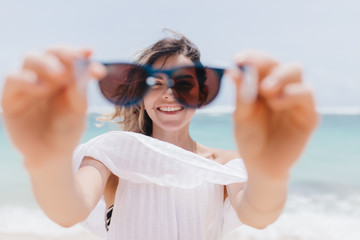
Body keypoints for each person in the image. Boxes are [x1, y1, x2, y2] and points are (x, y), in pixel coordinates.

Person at [1, 32, 318, 240]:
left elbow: (258, 213)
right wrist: (46, 162)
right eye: (155, 84)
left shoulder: (222, 163)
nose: (169, 95)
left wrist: (271, 171)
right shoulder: (113, 154)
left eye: (183, 84)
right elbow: (69, 209)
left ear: (201, 93)